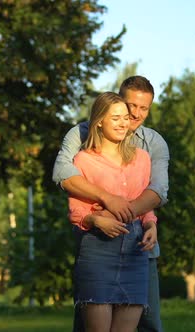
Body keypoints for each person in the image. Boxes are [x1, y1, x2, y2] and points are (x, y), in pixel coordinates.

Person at [53, 76, 169, 332]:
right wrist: (106, 203)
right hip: (96, 245)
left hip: (138, 248)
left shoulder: (149, 149)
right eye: (129, 107)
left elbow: (156, 191)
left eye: (144, 108)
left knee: (149, 324)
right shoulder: (80, 139)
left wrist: (144, 219)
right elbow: (63, 175)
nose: (135, 115)